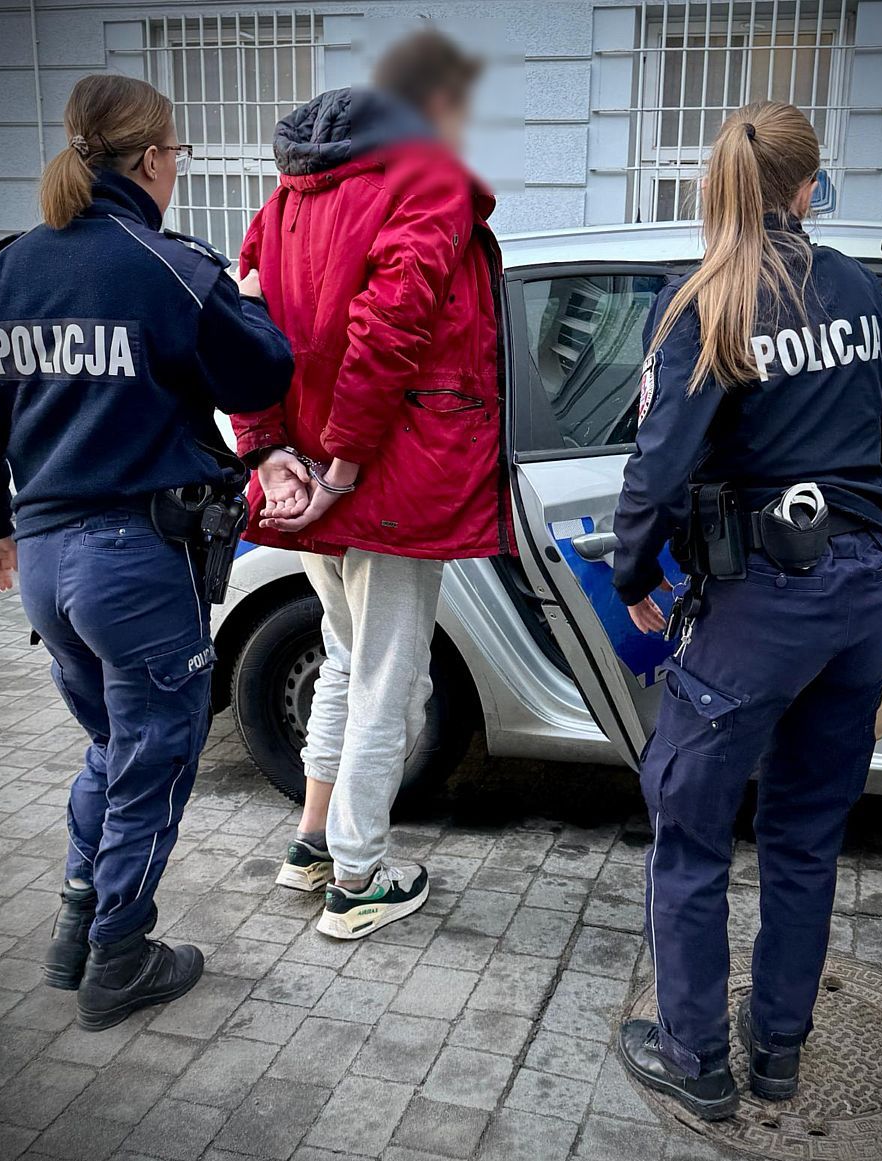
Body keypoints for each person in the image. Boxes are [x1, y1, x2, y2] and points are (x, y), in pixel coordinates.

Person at [0, 74, 294, 1029]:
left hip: (47, 562)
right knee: (155, 756)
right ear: (151, 160)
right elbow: (260, 372)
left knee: (113, 745)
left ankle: (77, 923)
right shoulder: (166, 266)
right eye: (177, 154)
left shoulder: (5, 269)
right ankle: (120, 958)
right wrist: (250, 304)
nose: (178, 169)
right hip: (134, 562)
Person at [612, 101, 882, 1117]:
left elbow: (656, 470)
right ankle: (780, 1050)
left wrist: (633, 575)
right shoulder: (861, 291)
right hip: (861, 596)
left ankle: (695, 1058)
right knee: (805, 836)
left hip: (759, 602)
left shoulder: (706, 301)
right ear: (808, 187)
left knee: (688, 825)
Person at [230, 28, 511, 941]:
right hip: (389, 472)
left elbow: (241, 329)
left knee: (349, 659)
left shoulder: (289, 196)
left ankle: (312, 844)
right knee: (394, 679)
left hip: (310, 472)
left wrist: (272, 451)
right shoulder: (425, 182)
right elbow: (391, 326)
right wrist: (346, 463)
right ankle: (358, 879)